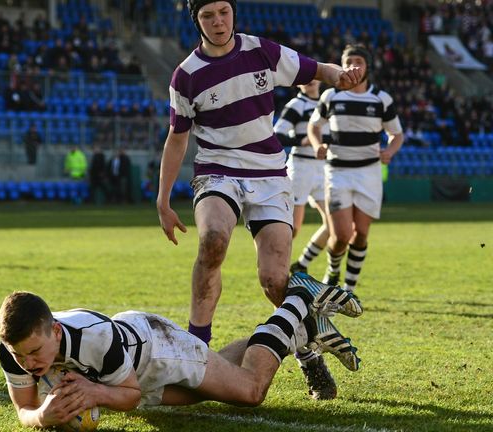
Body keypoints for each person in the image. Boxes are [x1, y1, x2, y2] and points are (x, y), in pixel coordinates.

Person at [155, 0, 362, 399]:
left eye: (223, 12)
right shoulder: (186, 76)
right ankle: (197, 350)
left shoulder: (262, 51)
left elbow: (319, 70)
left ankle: (308, 354)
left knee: (275, 281)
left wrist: (342, 76)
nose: (218, 22)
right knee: (213, 239)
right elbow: (177, 138)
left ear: (233, 12)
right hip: (217, 170)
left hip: (269, 173)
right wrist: (163, 200)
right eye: (207, 16)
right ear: (196, 21)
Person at [0, 275, 362, 429]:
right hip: (131, 364)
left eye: (35, 352)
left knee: (249, 391)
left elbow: (130, 394)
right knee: (215, 378)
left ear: (56, 331)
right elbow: (24, 410)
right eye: (20, 357)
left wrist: (94, 393)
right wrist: (42, 416)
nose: (29, 364)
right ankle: (302, 332)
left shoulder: (95, 337)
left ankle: (296, 300)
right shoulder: (13, 345)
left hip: (157, 347)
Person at [308, 44, 403, 292]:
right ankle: (332, 271)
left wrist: (390, 151)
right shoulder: (331, 96)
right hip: (337, 172)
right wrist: (318, 145)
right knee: (340, 235)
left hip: (369, 173)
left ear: (368, 66)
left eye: (358, 61)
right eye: (348, 61)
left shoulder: (381, 99)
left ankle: (349, 288)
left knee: (360, 233)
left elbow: (397, 134)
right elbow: (314, 126)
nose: (353, 66)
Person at [273, 80, 336, 399]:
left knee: (335, 225)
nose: (310, 81)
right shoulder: (296, 105)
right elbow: (279, 132)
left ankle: (305, 264)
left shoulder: (325, 102)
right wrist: (305, 138)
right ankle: (288, 265)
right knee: (293, 228)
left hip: (321, 168)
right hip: (299, 166)